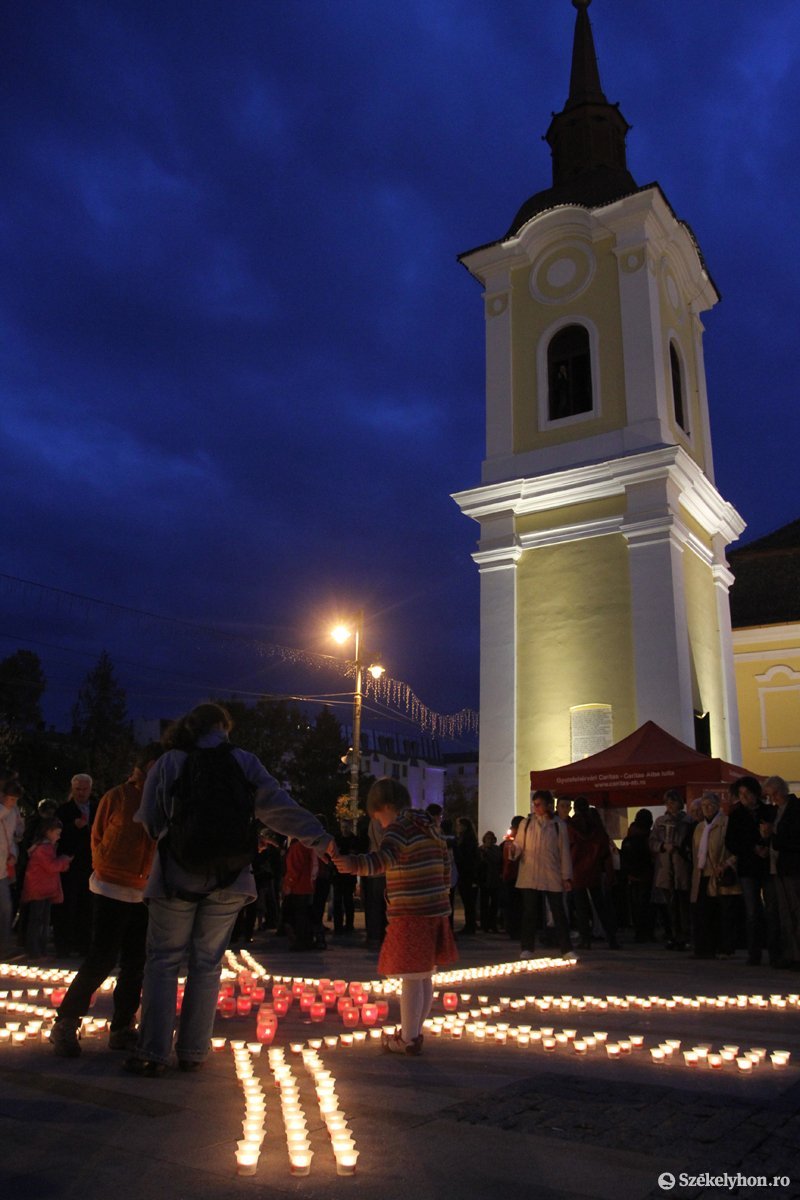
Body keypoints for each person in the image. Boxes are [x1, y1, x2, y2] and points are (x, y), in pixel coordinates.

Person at [125, 703, 334, 1075]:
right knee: (207, 964)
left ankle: (153, 1052)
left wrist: (173, 839)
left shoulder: (169, 761)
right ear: (223, 727)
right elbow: (277, 806)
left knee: (163, 961)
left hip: (175, 877)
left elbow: (150, 819)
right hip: (232, 878)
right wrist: (319, 838)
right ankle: (193, 1051)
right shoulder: (243, 761)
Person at [332, 778, 457, 1056]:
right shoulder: (430, 826)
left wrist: (353, 865)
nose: (380, 824)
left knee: (411, 976)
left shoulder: (399, 828)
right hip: (435, 909)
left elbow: (383, 859)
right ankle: (414, 1032)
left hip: (411, 910)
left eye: (379, 818)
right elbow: (446, 865)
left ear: (386, 806)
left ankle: (409, 1039)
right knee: (424, 975)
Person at [50, 755, 157, 1058]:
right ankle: (66, 1022)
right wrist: (105, 865)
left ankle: (123, 1027)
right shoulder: (118, 797)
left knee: (135, 963)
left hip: (143, 891)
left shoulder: (164, 799)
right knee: (101, 958)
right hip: (110, 886)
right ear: (141, 768)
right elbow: (96, 837)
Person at [509, 790, 573, 960]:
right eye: (534, 804)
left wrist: (566, 876)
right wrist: (514, 850)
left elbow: (564, 852)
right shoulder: (526, 823)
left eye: (539, 804)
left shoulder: (558, 825)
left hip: (551, 873)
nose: (535, 807)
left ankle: (566, 949)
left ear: (548, 805)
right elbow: (519, 845)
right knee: (529, 912)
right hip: (530, 873)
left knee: (558, 911)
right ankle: (527, 947)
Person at [725, 776, 771, 965]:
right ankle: (755, 952)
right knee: (752, 911)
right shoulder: (737, 815)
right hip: (748, 867)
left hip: (767, 866)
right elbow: (731, 842)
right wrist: (752, 847)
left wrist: (765, 844)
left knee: (772, 909)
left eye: (747, 793)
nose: (744, 797)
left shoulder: (767, 811)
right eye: (741, 794)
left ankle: (775, 949)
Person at [690, 791, 740, 959]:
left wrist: (726, 863)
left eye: (710, 805)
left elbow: (735, 848)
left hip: (720, 873)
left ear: (718, 806)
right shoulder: (699, 827)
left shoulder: (726, 823)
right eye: (704, 806)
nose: (707, 808)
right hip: (702, 873)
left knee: (723, 912)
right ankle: (705, 948)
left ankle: (725, 947)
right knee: (704, 912)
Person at [53, 773, 97, 957]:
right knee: (67, 904)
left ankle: (83, 944)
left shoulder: (97, 807)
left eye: (84, 789)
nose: (81, 793)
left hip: (91, 863)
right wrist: (73, 827)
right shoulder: (64, 810)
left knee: (86, 906)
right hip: (70, 863)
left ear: (90, 789)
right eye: (78, 789)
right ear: (72, 789)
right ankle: (64, 945)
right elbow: (56, 834)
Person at [568, 796, 619, 950]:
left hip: (577, 870)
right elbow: (604, 849)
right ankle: (611, 938)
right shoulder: (597, 826)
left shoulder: (571, 826)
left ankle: (585, 939)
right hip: (594, 870)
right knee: (601, 907)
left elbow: (569, 847)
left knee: (581, 908)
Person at [760, 776, 800, 970]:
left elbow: (793, 837)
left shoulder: (795, 809)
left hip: (792, 867)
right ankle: (791, 953)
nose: (771, 799)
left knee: (795, 911)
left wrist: (772, 833)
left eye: (771, 794)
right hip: (779, 867)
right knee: (784, 913)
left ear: (778, 791)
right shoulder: (776, 811)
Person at [20, 818, 72, 957]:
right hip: (40, 889)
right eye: (57, 833)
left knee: (42, 920)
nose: (59, 836)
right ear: (48, 832)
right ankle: (34, 950)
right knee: (38, 920)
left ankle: (39, 949)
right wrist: (64, 860)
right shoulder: (44, 848)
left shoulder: (45, 847)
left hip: (44, 888)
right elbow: (51, 866)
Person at [650, 790, 692, 950]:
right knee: (670, 905)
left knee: (683, 904)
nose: (670, 805)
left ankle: (685, 935)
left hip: (681, 867)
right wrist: (662, 846)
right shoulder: (660, 821)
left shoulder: (687, 821)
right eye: (667, 802)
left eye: (673, 801)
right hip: (665, 867)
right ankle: (674, 935)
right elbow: (652, 841)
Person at [619, 809, 654, 942]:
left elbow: (624, 859)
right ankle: (646, 933)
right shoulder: (647, 838)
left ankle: (640, 932)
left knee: (637, 906)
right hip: (646, 876)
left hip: (633, 877)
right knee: (646, 906)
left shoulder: (629, 839)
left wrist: (627, 874)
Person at [454, 816, 480, 935]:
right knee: (468, 901)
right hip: (467, 873)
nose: (457, 827)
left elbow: (466, 858)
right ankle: (470, 924)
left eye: (459, 825)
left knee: (468, 900)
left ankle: (470, 926)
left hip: (466, 874)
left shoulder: (466, 841)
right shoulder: (468, 840)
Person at [501, 814, 524, 938]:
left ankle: (512, 928)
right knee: (516, 904)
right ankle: (515, 929)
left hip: (510, 875)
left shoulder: (509, 840)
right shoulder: (516, 840)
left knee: (512, 904)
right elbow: (511, 860)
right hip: (515, 875)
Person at [478, 831, 503, 934]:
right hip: (485, 879)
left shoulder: (496, 849)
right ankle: (484, 925)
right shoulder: (481, 849)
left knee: (494, 903)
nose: (489, 840)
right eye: (487, 838)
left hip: (494, 879)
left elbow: (498, 860)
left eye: (491, 838)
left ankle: (493, 924)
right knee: (484, 903)